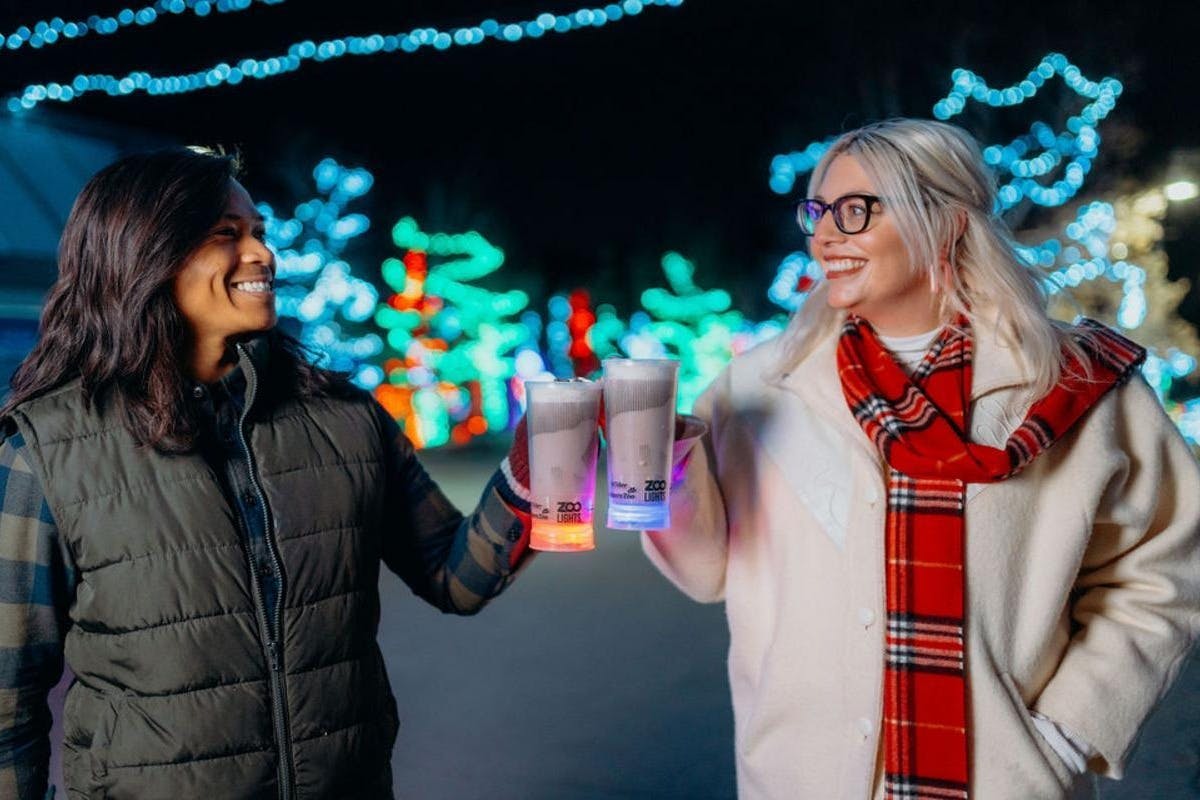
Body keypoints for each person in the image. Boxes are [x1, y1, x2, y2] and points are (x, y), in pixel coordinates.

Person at [643, 119, 1200, 799]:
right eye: (817, 212)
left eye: (854, 211)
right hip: (799, 777)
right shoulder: (757, 386)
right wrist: (660, 473)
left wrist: (1070, 730)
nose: (823, 237)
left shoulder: (1079, 382)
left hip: (1005, 783)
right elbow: (707, 572)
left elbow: (1167, 570)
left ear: (946, 222)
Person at [0, 147, 534, 799]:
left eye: (259, 233)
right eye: (228, 235)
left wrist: (538, 465)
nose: (261, 255)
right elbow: (8, 704)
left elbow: (456, 576)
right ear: (145, 254)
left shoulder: (345, 419)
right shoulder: (48, 448)